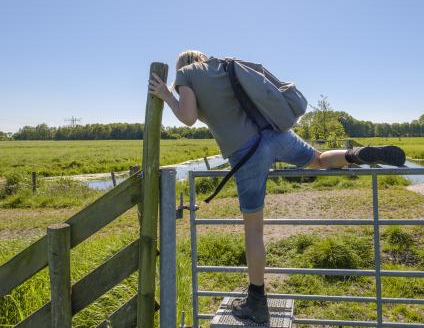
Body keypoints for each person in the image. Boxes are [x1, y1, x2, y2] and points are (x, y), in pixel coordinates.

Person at [148, 50, 405, 324]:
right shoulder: (223, 65)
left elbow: (187, 117)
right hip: (276, 133)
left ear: (182, 65)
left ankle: (257, 302)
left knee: (254, 229)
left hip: (247, 152)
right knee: (317, 159)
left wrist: (167, 95)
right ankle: (356, 155)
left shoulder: (187, 74)